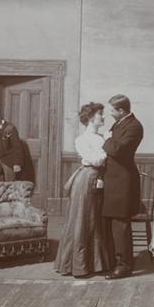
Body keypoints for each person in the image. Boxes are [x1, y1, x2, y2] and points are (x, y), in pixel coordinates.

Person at [54, 102, 110, 278]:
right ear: (91, 118)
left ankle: (96, 264)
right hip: (85, 181)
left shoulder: (101, 137)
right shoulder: (82, 139)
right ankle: (79, 265)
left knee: (95, 220)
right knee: (82, 219)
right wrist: (107, 146)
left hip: (99, 179)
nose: (103, 117)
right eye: (100, 114)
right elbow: (95, 160)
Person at [102, 94, 144, 279]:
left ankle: (124, 266)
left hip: (123, 182)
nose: (110, 113)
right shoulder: (120, 123)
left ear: (121, 110)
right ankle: (114, 262)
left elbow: (118, 150)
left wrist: (107, 139)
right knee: (111, 224)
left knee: (120, 225)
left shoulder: (134, 126)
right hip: (112, 180)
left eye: (112, 110)